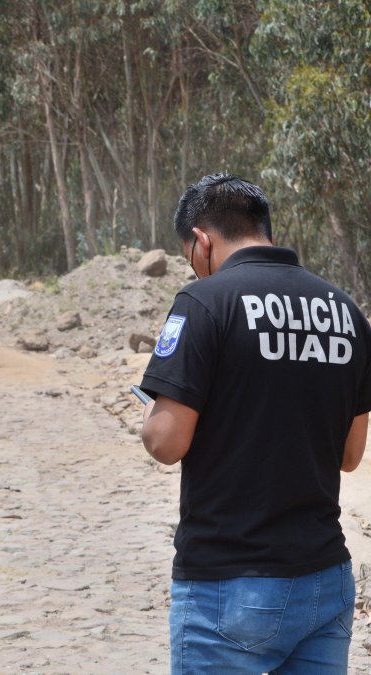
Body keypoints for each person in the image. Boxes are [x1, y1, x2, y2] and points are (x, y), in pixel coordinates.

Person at [138, 173, 371, 673]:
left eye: (190, 259)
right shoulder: (345, 312)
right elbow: (351, 457)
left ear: (201, 241)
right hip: (325, 580)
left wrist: (152, 408)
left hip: (230, 584)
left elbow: (165, 442)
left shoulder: (204, 303)